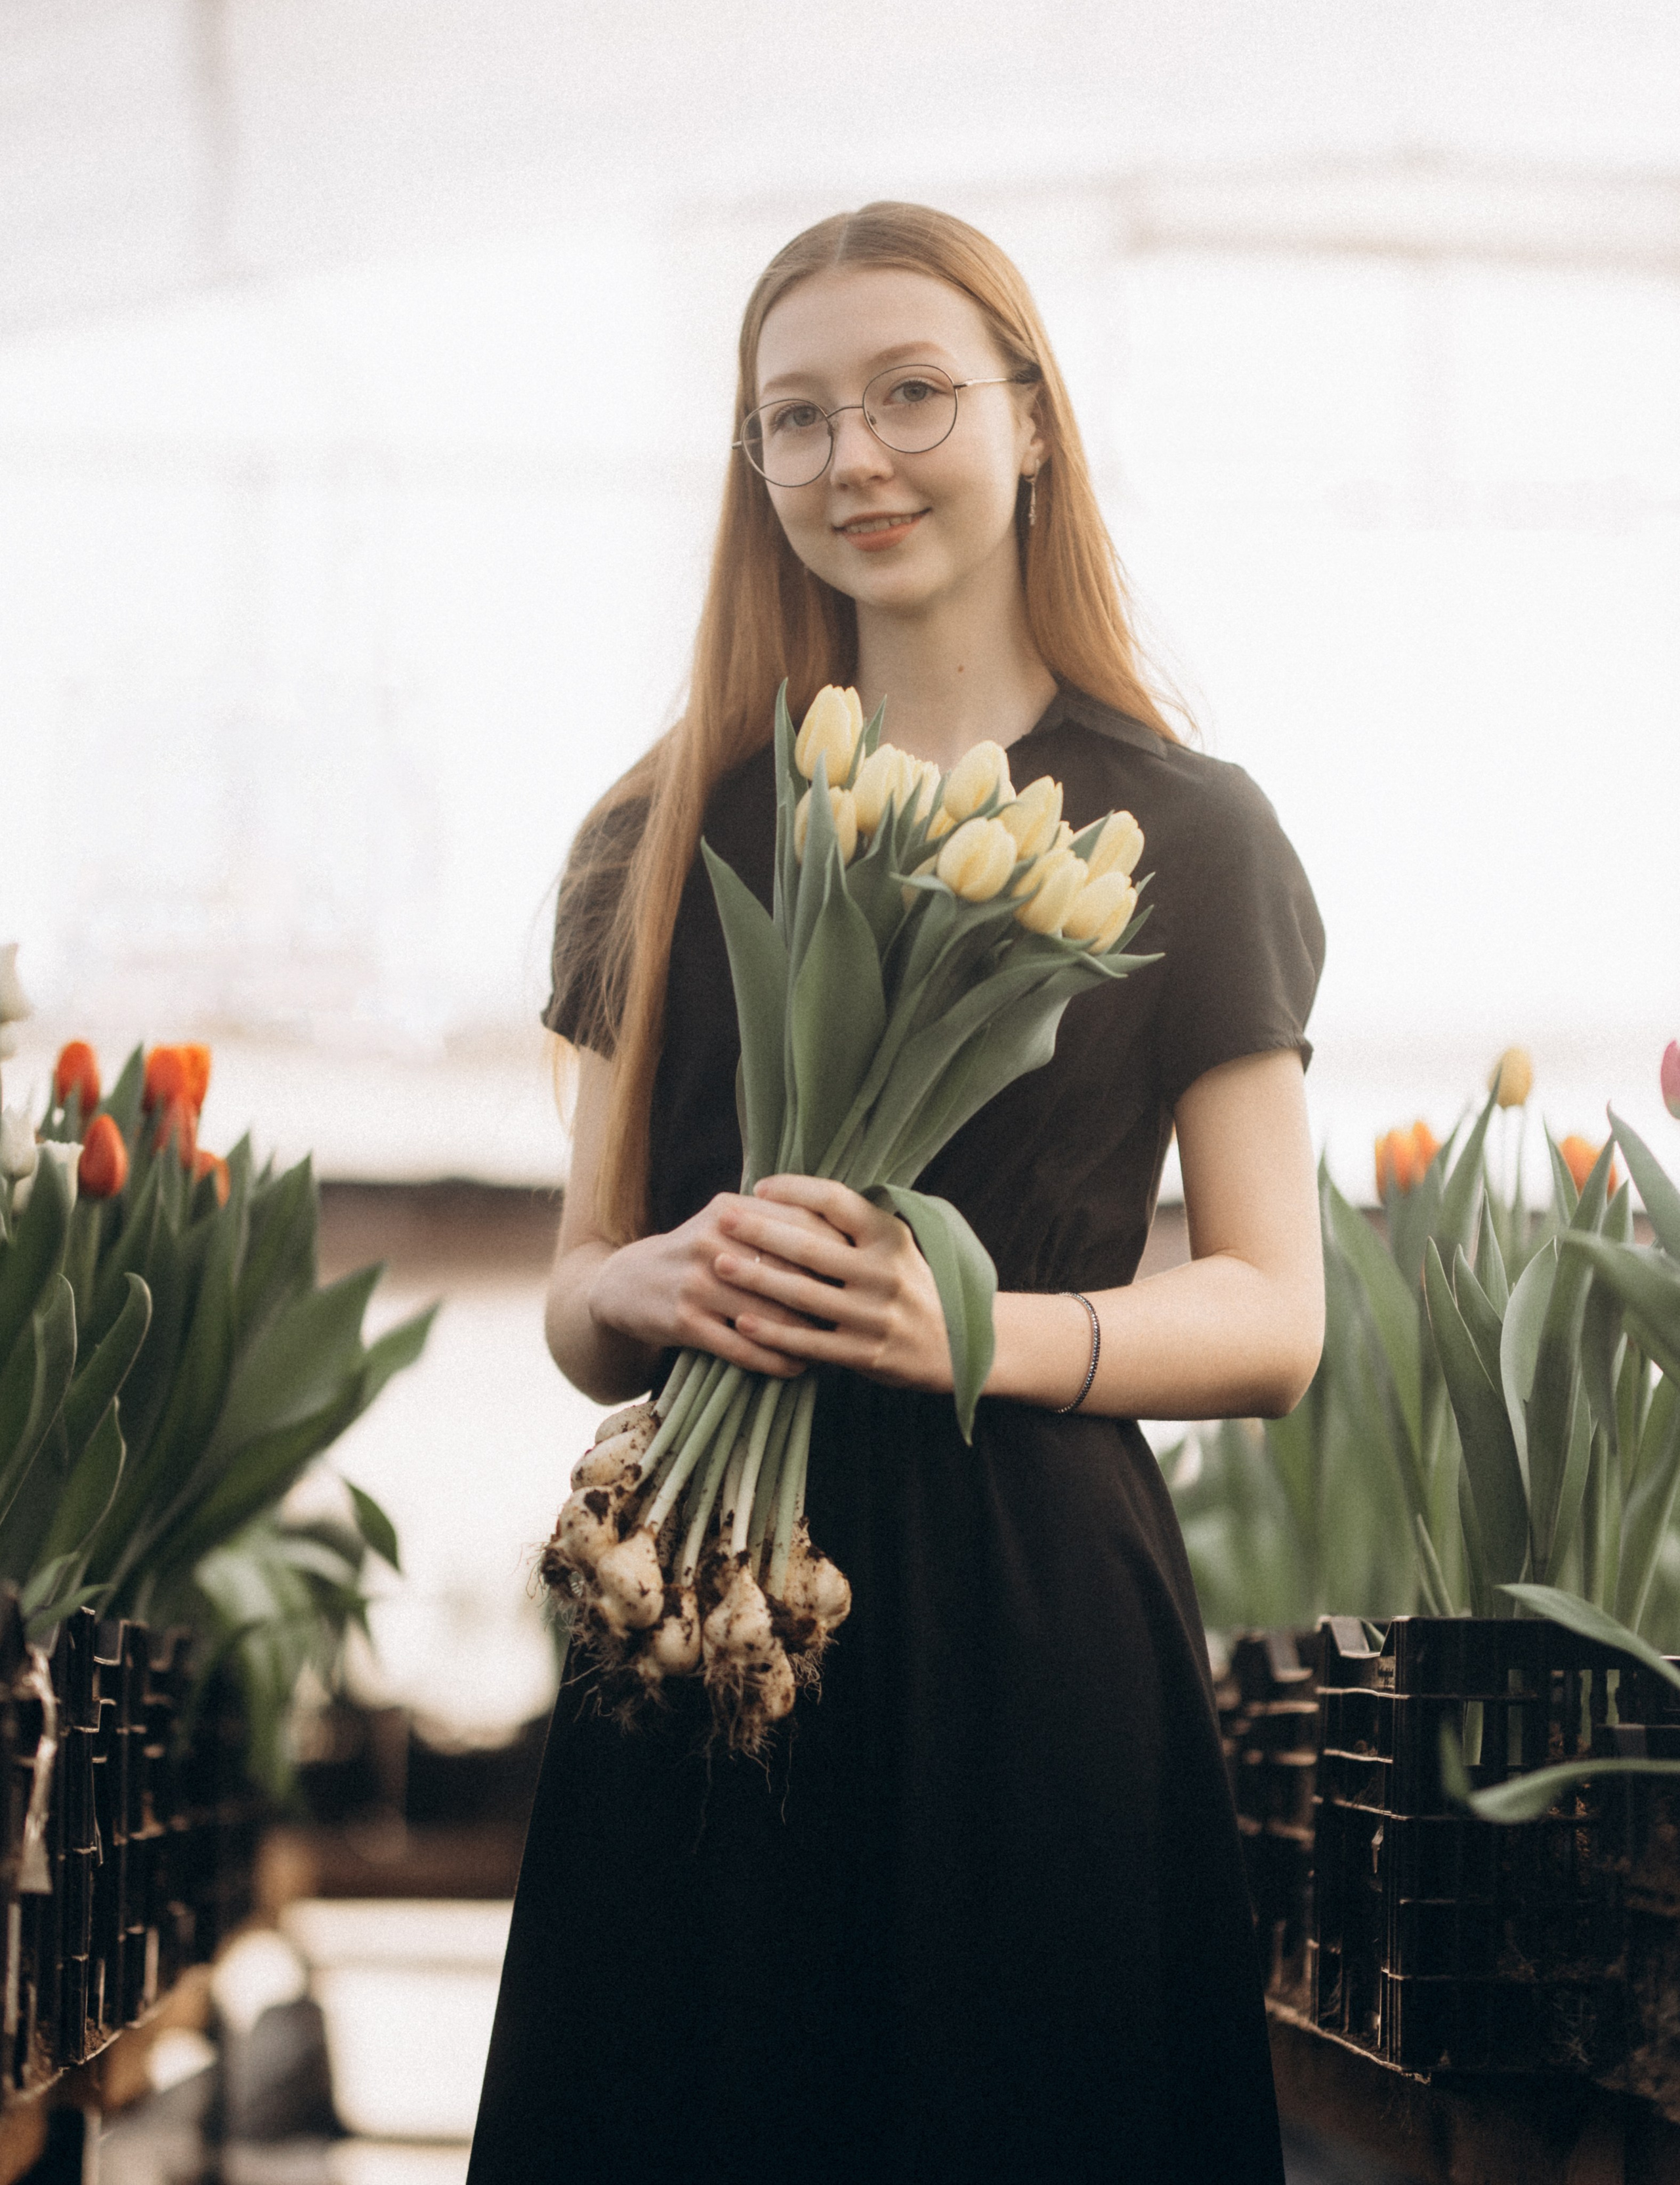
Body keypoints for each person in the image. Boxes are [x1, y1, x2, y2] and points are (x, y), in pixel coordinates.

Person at [468, 202, 1325, 2185]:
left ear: (1032, 421)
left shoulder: (1188, 831)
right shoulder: (658, 830)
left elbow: (1275, 1312)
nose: (853, 457)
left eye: (913, 394)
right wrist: (654, 1283)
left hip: (1038, 1634)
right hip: (702, 1622)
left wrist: (976, 1328)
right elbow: (578, 1288)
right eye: (797, 416)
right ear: (753, 460)